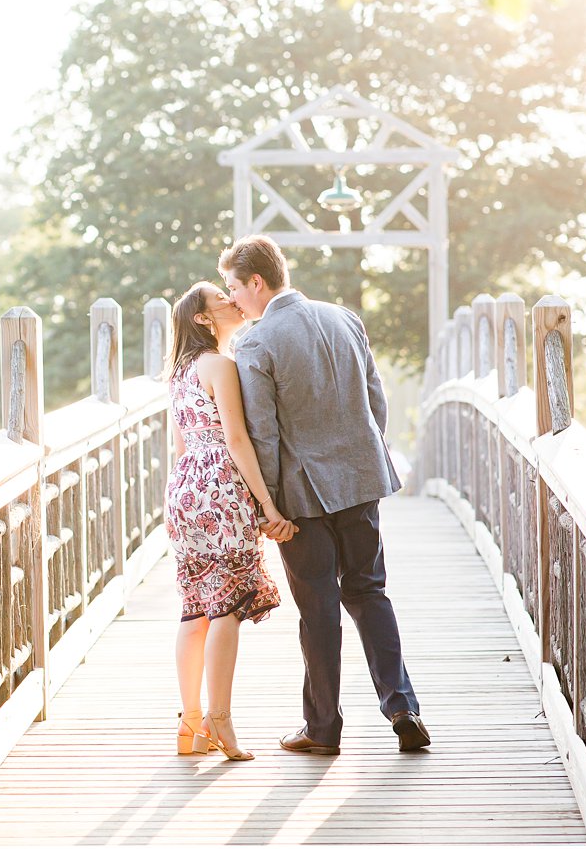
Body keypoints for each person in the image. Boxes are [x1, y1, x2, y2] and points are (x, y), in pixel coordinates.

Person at [220, 234, 430, 755]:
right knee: (369, 592)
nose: (233, 302)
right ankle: (402, 705)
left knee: (319, 610)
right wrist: (362, 456)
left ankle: (323, 728)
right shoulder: (345, 318)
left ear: (256, 282)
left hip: (302, 496)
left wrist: (266, 506)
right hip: (361, 480)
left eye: (234, 289)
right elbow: (374, 401)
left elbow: (263, 432)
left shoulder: (255, 341)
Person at [164, 281, 295, 762]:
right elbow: (237, 439)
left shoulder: (179, 372)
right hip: (220, 485)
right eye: (222, 300)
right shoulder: (220, 364)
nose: (232, 302)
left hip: (184, 488)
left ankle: (191, 723)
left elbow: (180, 446)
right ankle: (221, 718)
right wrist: (268, 506)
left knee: (195, 607)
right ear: (203, 318)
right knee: (227, 607)